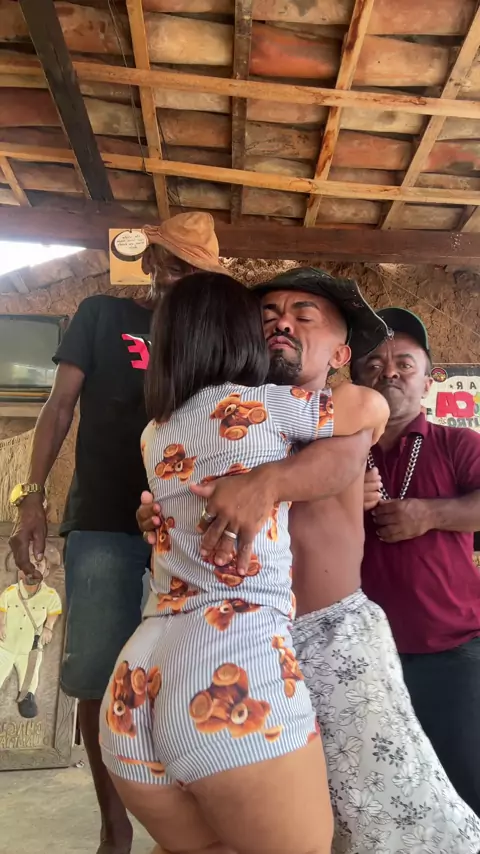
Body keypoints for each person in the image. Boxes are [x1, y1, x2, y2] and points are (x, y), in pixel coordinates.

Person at [138, 268, 480, 853]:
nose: (282, 323)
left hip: (331, 637)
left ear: (341, 354)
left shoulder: (344, 413)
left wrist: (268, 482)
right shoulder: (229, 418)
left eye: (304, 315)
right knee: (271, 824)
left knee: (394, 821)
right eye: (267, 315)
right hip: (238, 642)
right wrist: (161, 516)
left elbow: (339, 460)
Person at [100, 270, 388, 854]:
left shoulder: (154, 433)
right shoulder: (260, 406)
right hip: (229, 667)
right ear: (239, 337)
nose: (276, 329)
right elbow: (369, 407)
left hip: (136, 684)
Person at [8, 212, 225, 854]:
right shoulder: (101, 315)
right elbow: (59, 407)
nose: (175, 277)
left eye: (191, 270)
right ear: (150, 261)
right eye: (169, 262)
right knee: (99, 673)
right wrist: (31, 497)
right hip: (103, 519)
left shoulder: (211, 338)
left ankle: (180, 822)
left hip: (184, 528)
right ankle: (114, 827)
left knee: (185, 678)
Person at [352, 306, 480, 819]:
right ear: (355, 381)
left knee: (465, 788)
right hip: (362, 661)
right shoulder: (332, 455)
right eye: (374, 364)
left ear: (428, 379)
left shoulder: (458, 443)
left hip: (452, 653)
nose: (389, 372)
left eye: (405, 363)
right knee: (379, 800)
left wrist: (430, 514)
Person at [0, 553, 62, 718]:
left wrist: (48, 627)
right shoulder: (11, 591)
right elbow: (2, 608)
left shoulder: (50, 595)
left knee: (30, 673)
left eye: (39, 565)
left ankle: (27, 697)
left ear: (46, 570)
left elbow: (54, 612)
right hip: (6, 644)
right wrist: (1, 625)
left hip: (30, 647)